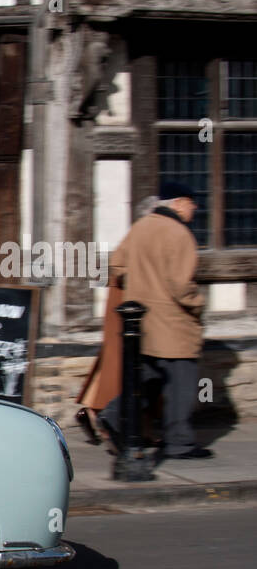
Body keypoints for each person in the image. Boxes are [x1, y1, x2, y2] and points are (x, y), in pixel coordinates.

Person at [97, 182, 211, 460]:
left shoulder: (141, 227)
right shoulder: (179, 233)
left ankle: (113, 416)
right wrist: (199, 304)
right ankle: (179, 443)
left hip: (141, 322)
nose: (194, 208)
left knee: (147, 376)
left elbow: (117, 266)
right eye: (191, 202)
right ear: (179, 202)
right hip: (174, 322)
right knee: (181, 383)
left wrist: (140, 289)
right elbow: (181, 285)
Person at [75, 194, 157, 447]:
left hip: (124, 305)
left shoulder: (141, 235)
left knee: (112, 364)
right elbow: (121, 267)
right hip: (129, 306)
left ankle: (91, 412)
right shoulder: (143, 235)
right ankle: (111, 421)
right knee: (122, 368)